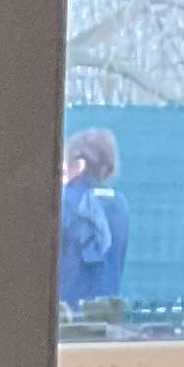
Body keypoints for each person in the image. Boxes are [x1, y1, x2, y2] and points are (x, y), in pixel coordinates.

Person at [57, 127, 130, 313]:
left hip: (67, 313)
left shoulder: (65, 200)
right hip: (107, 311)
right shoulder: (119, 203)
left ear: (79, 164)